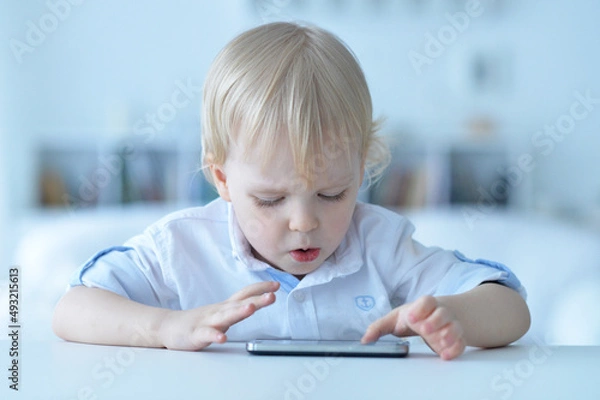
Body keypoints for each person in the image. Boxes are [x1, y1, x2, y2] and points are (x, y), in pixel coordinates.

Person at [52, 22, 530, 360]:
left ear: (361, 170)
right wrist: (164, 327)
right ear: (221, 179)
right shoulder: (181, 248)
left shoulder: (382, 245)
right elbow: (72, 309)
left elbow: (511, 309)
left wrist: (452, 315)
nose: (304, 222)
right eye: (271, 199)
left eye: (332, 194)